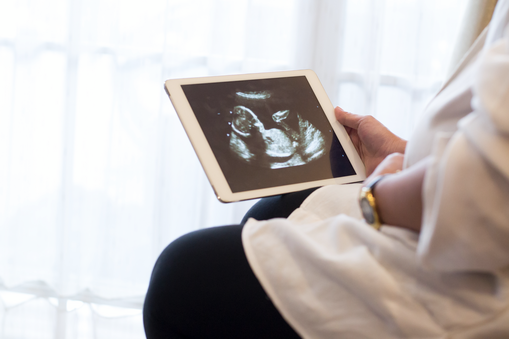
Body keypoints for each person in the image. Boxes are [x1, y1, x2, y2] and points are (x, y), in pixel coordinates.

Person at [143, 1, 509, 337]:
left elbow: (475, 196)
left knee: (181, 277)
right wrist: (406, 156)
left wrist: (377, 193)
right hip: (446, 213)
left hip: (467, 278)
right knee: (278, 206)